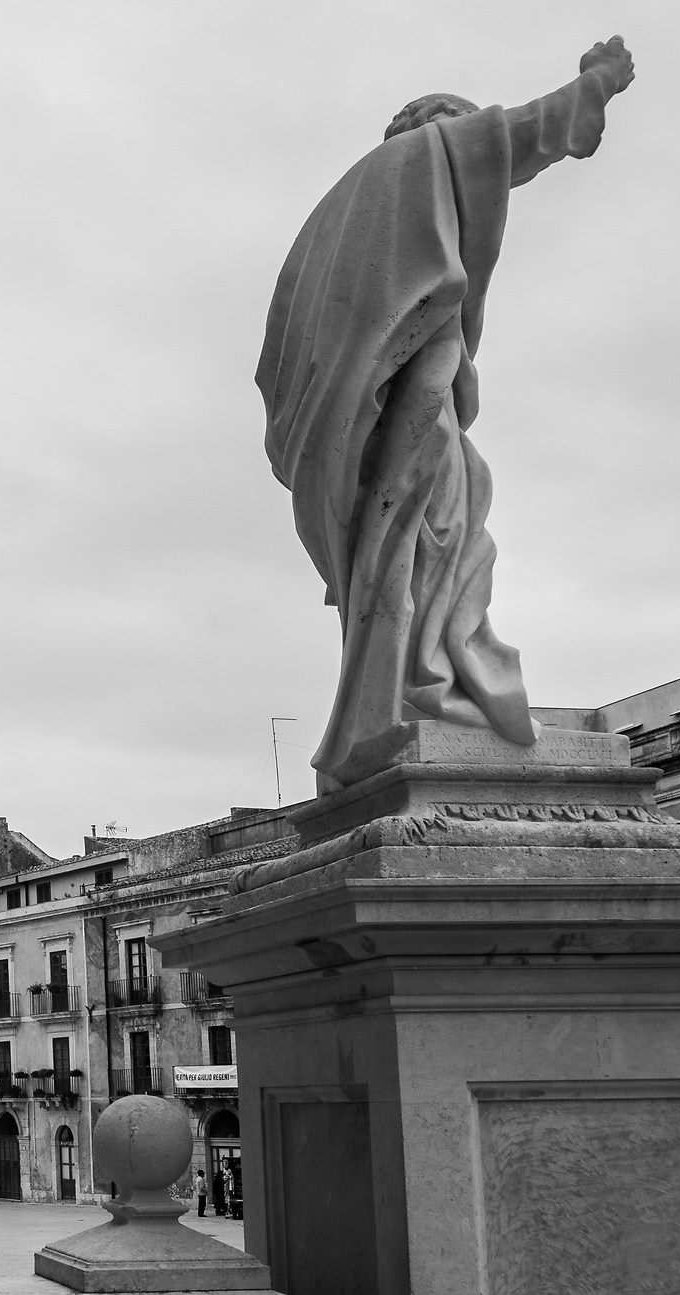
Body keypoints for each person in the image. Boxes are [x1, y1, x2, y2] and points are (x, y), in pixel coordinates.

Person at [258, 37, 636, 791]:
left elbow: (280, 357)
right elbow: (519, 135)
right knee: (435, 534)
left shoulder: (338, 216)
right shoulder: (419, 160)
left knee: (407, 547)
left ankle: (398, 694)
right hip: (411, 394)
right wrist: (594, 85)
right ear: (437, 131)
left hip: (363, 417)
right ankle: (435, 681)